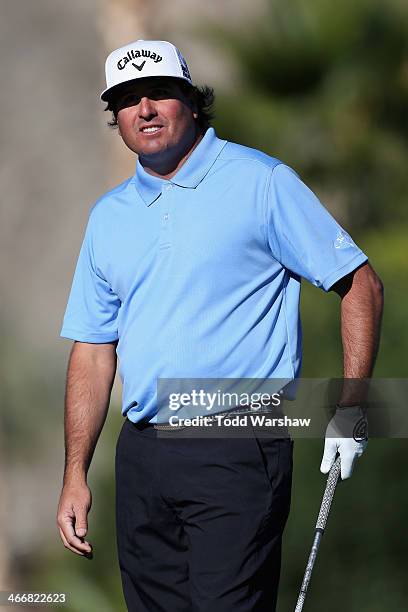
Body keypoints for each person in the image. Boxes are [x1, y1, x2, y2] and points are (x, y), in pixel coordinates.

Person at [56, 40, 383, 611]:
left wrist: (352, 406)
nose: (146, 110)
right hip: (141, 455)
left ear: (191, 100)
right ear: (118, 119)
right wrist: (75, 474)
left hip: (235, 439)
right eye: (128, 101)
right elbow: (92, 348)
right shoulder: (109, 216)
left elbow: (360, 285)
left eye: (159, 93)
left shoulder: (260, 181)